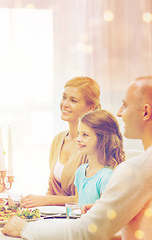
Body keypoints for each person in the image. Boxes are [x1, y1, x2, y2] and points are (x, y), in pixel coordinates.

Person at [2, 74, 152, 239]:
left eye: (125, 105)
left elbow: (86, 231)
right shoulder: (147, 164)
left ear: (145, 112)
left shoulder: (136, 169)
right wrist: (101, 210)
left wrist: (25, 229)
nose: (119, 113)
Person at [21, 76, 101, 208]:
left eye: (73, 100)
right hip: (55, 216)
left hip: (78, 219)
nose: (65, 104)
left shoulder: (94, 145)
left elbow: (87, 198)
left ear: (90, 108)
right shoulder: (58, 140)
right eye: (64, 97)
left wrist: (45, 201)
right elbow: (51, 188)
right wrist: (38, 208)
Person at [74, 109, 124, 205]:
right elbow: (77, 210)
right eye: (78, 133)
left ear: (103, 139)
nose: (78, 139)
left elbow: (104, 216)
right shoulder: (80, 171)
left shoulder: (108, 177)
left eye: (85, 135)